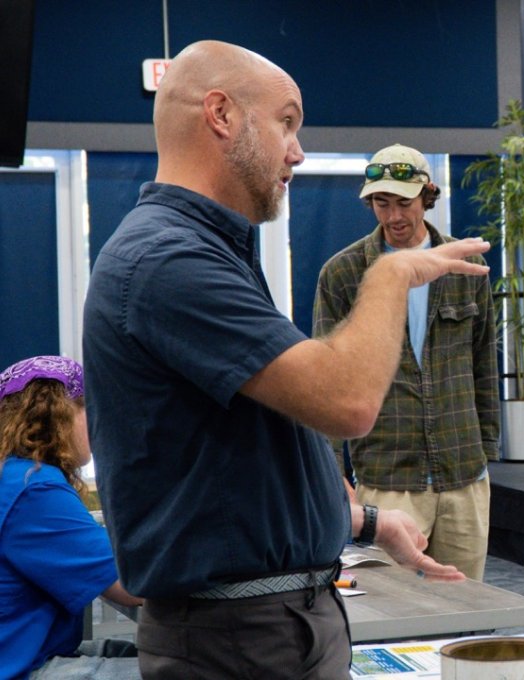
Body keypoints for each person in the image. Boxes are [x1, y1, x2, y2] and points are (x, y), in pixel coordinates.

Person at [82, 40, 485, 679]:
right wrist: (391, 275)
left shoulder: (209, 250)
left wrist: (369, 522)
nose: (297, 150)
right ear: (221, 114)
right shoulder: (167, 260)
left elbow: (244, 466)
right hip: (241, 641)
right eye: (287, 122)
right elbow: (346, 402)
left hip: (268, 628)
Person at [313, 144, 498, 581]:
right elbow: (324, 379)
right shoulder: (343, 273)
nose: (393, 216)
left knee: (465, 607)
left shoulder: (463, 263)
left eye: (404, 203)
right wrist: (334, 476)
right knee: (397, 614)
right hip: (388, 474)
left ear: (427, 196)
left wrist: (487, 452)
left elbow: (483, 364)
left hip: (463, 474)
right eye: (382, 202)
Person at [0, 356, 142, 680]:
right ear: (61, 415)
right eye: (88, 408)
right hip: (21, 667)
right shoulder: (33, 487)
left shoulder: (13, 476)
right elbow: (130, 586)